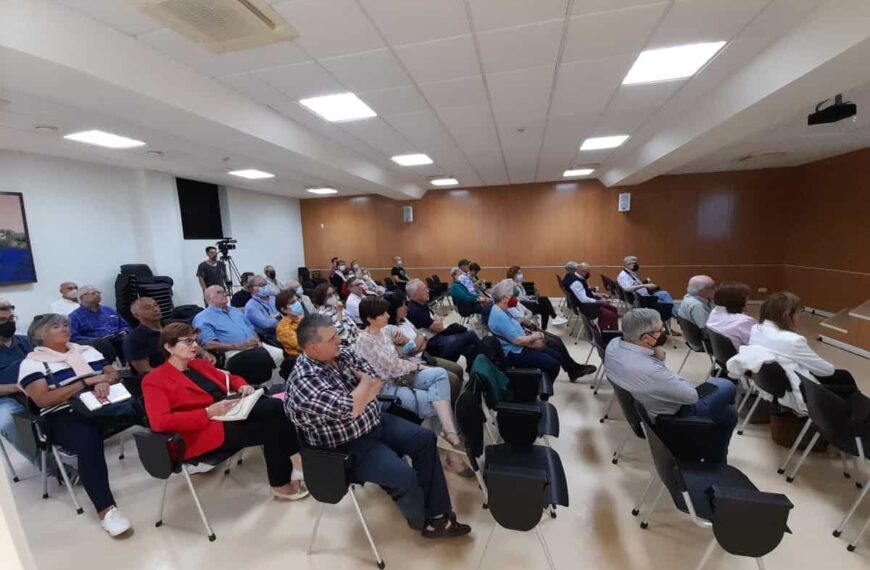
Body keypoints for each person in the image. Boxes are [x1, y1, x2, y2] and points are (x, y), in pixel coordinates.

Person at [285, 315, 472, 538]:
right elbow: (354, 405)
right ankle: (423, 522)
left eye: (337, 334)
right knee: (404, 475)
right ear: (313, 348)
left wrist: (364, 390)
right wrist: (364, 385)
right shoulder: (305, 381)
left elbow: (376, 379)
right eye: (332, 338)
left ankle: (438, 511)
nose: (339, 340)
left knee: (425, 439)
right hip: (347, 446)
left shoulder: (339, 352)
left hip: (375, 421)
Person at [142, 323, 307, 501]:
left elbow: (231, 379)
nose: (195, 346)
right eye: (188, 341)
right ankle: (293, 464)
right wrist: (207, 412)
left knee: (274, 411)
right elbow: (160, 422)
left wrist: (242, 385)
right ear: (168, 347)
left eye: (196, 340)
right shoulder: (154, 380)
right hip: (200, 431)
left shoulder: (199, 365)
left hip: (228, 414)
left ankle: (288, 473)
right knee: (275, 419)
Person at [19, 314, 139, 536]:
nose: (64, 328)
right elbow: (43, 400)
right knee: (88, 441)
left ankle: (190, 456)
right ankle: (107, 510)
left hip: (104, 403)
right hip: (63, 413)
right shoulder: (33, 364)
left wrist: (104, 380)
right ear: (40, 335)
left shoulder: (85, 350)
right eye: (56, 326)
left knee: (146, 408)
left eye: (65, 324)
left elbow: (111, 371)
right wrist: (85, 383)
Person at [604, 308, 737, 463]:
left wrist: (656, 354)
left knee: (728, 414)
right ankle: (710, 457)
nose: (664, 332)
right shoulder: (650, 371)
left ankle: (714, 459)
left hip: (640, 409)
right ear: (646, 338)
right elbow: (691, 396)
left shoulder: (613, 345)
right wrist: (662, 364)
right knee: (726, 385)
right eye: (660, 330)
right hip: (668, 419)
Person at [356, 298, 470, 476]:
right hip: (385, 388)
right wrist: (417, 366)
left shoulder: (385, 331)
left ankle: (449, 433)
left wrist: (401, 345)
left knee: (440, 374)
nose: (388, 315)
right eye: (382, 314)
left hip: (402, 376)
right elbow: (391, 366)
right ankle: (452, 453)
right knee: (438, 403)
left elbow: (411, 343)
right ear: (369, 319)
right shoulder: (365, 341)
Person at [749, 292, 859, 396]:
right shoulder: (793, 340)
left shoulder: (756, 329)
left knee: (842, 377)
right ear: (787, 314)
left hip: (770, 384)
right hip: (800, 391)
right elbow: (826, 370)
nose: (801, 315)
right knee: (845, 379)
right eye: (799, 311)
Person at [487, 280, 590, 383]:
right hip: (514, 352)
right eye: (511, 296)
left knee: (557, 355)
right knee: (553, 365)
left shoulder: (503, 309)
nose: (514, 298)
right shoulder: (500, 315)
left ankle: (569, 372)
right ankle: (542, 393)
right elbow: (517, 341)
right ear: (504, 299)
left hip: (521, 345)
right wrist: (534, 337)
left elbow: (517, 330)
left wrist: (531, 336)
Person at [386, 291, 466, 404]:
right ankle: (449, 407)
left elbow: (421, 338)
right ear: (393, 309)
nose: (405, 307)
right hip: (413, 366)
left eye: (405, 304)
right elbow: (409, 351)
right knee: (453, 380)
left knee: (458, 369)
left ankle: (458, 401)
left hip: (424, 356)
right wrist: (418, 342)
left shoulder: (405, 320)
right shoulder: (391, 330)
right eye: (402, 305)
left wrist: (417, 342)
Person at [192, 285, 284, 373]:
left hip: (252, 345)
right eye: (219, 292)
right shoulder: (203, 318)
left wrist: (256, 340)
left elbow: (250, 328)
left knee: (279, 354)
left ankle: (271, 385)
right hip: (232, 351)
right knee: (261, 360)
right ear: (208, 298)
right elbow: (208, 344)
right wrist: (238, 346)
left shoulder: (235, 311)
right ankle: (259, 385)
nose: (225, 294)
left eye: (224, 291)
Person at [124, 297, 216, 377]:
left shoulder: (174, 326)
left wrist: (204, 353)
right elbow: (144, 370)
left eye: (155, 305)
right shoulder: (134, 339)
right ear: (136, 315)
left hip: (191, 368)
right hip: (165, 377)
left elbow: (191, 343)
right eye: (148, 308)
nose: (155, 309)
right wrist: (176, 374)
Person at [405, 279, 480, 364]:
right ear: (414, 295)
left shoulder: (421, 304)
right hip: (434, 344)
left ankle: (474, 369)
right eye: (424, 289)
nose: (428, 291)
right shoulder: (415, 310)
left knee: (469, 348)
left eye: (426, 288)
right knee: (471, 334)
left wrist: (437, 320)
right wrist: (438, 320)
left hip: (437, 337)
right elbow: (439, 327)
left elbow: (436, 320)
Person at [0, 299, 36, 464]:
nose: (8, 324)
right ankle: (55, 468)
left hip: (36, 389)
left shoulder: (26, 341)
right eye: (2, 321)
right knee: (9, 423)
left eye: (11, 319)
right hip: (5, 399)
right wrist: (16, 388)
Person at [69, 286, 131, 361]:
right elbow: (73, 337)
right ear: (82, 297)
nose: (97, 295)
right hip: (96, 343)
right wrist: (96, 340)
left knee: (133, 338)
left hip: (116, 338)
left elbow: (125, 325)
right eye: (93, 293)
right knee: (103, 344)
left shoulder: (109, 310)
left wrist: (124, 331)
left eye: (98, 293)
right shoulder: (75, 316)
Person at [563, 262, 620, 331]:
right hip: (585, 307)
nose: (589, 274)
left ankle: (613, 332)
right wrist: (600, 301)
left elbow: (585, 291)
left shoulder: (578, 277)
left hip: (587, 303)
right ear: (582, 272)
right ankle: (598, 333)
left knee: (614, 310)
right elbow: (583, 299)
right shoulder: (576, 282)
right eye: (588, 272)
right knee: (611, 315)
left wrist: (598, 294)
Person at [706, 282, 756, 349]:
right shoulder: (744, 321)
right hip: (741, 355)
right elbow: (755, 342)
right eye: (746, 298)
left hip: (722, 353)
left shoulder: (714, 312)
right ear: (739, 300)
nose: (748, 300)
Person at [243, 275, 281, 344]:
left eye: (265, 284)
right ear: (251, 289)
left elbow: (285, 312)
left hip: (282, 330)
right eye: (260, 285)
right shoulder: (251, 306)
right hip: (268, 337)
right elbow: (267, 324)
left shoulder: (273, 298)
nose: (264, 287)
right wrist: (281, 318)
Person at [275, 289, 304, 358]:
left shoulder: (301, 317)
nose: (297, 304)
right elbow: (302, 346)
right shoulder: (282, 329)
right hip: (302, 358)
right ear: (284, 310)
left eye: (297, 300)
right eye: (292, 303)